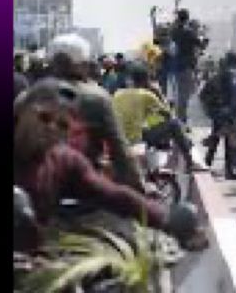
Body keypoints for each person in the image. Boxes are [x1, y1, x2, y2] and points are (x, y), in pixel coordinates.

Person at [13, 79, 208, 252]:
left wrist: (167, 220)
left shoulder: (63, 161)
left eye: (62, 125)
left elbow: (112, 195)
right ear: (22, 111)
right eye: (44, 117)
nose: (51, 128)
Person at [46, 34, 144, 192]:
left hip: (40, 194)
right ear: (82, 65)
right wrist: (140, 189)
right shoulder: (97, 97)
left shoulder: (28, 98)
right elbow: (121, 152)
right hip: (86, 193)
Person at [112, 62, 204, 171]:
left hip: (120, 138)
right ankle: (190, 162)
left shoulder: (117, 94)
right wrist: (158, 93)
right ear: (146, 80)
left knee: (152, 127)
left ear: (129, 80)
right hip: (136, 139)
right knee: (174, 125)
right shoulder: (146, 94)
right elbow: (168, 115)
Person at [170, 8, 208, 121]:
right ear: (187, 19)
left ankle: (181, 117)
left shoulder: (174, 31)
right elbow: (201, 45)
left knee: (183, 92)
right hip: (186, 67)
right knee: (185, 94)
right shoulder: (188, 33)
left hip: (177, 66)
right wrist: (205, 38)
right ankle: (181, 118)